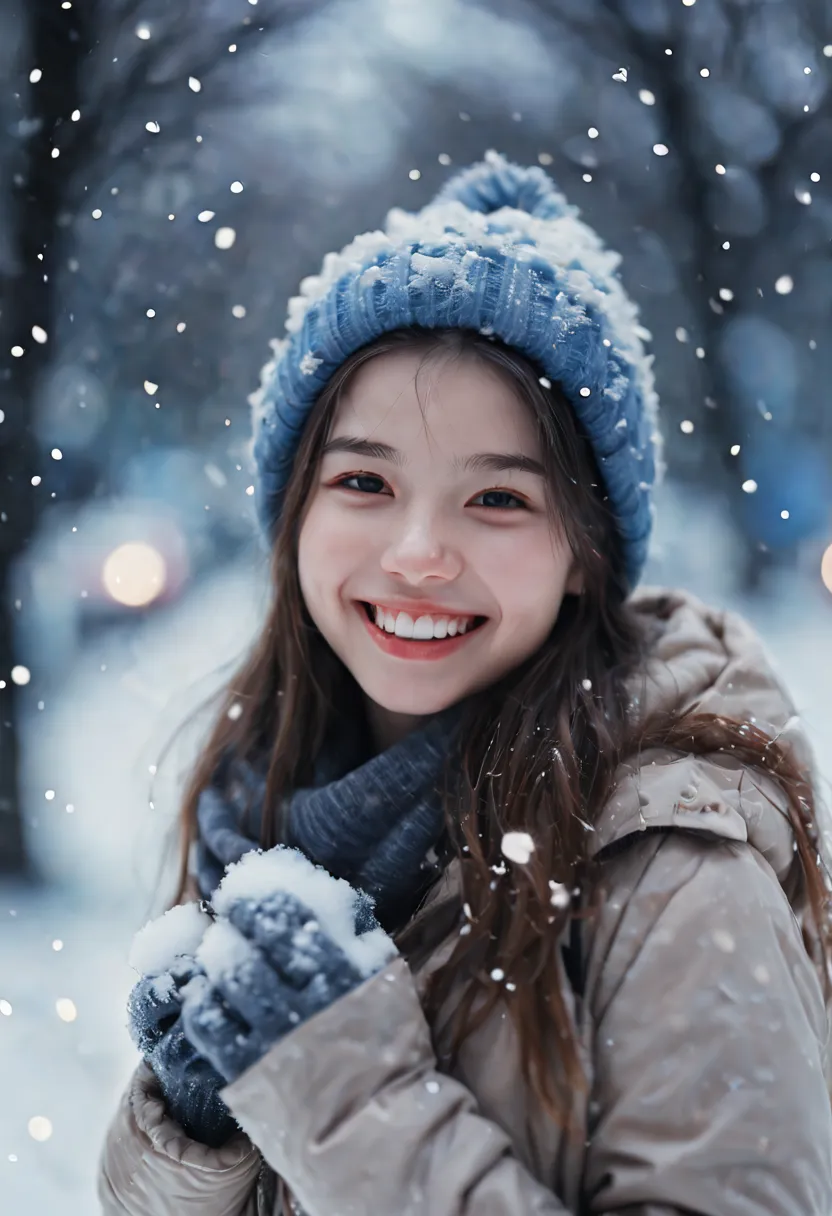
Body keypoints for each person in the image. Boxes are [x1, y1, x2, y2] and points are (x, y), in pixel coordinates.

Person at [98, 153, 832, 1216]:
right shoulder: (264, 800)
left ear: (585, 550)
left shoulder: (670, 867)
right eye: (364, 481)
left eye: (496, 497)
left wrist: (345, 1096)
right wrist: (197, 1131)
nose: (416, 551)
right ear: (296, 511)